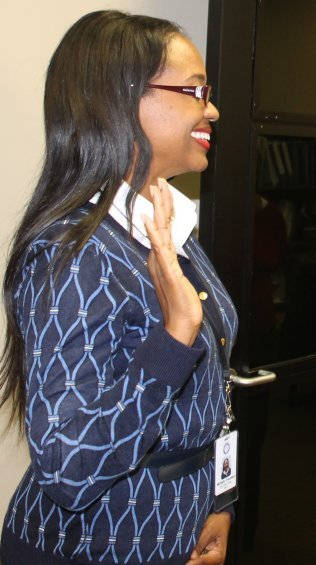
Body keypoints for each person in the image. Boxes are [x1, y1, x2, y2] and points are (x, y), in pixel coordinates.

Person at [0, 11, 235, 565]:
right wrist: (174, 339)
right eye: (195, 90)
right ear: (121, 97)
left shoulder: (171, 225)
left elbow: (215, 390)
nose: (213, 109)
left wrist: (221, 498)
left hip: (179, 529)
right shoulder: (72, 252)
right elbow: (68, 466)